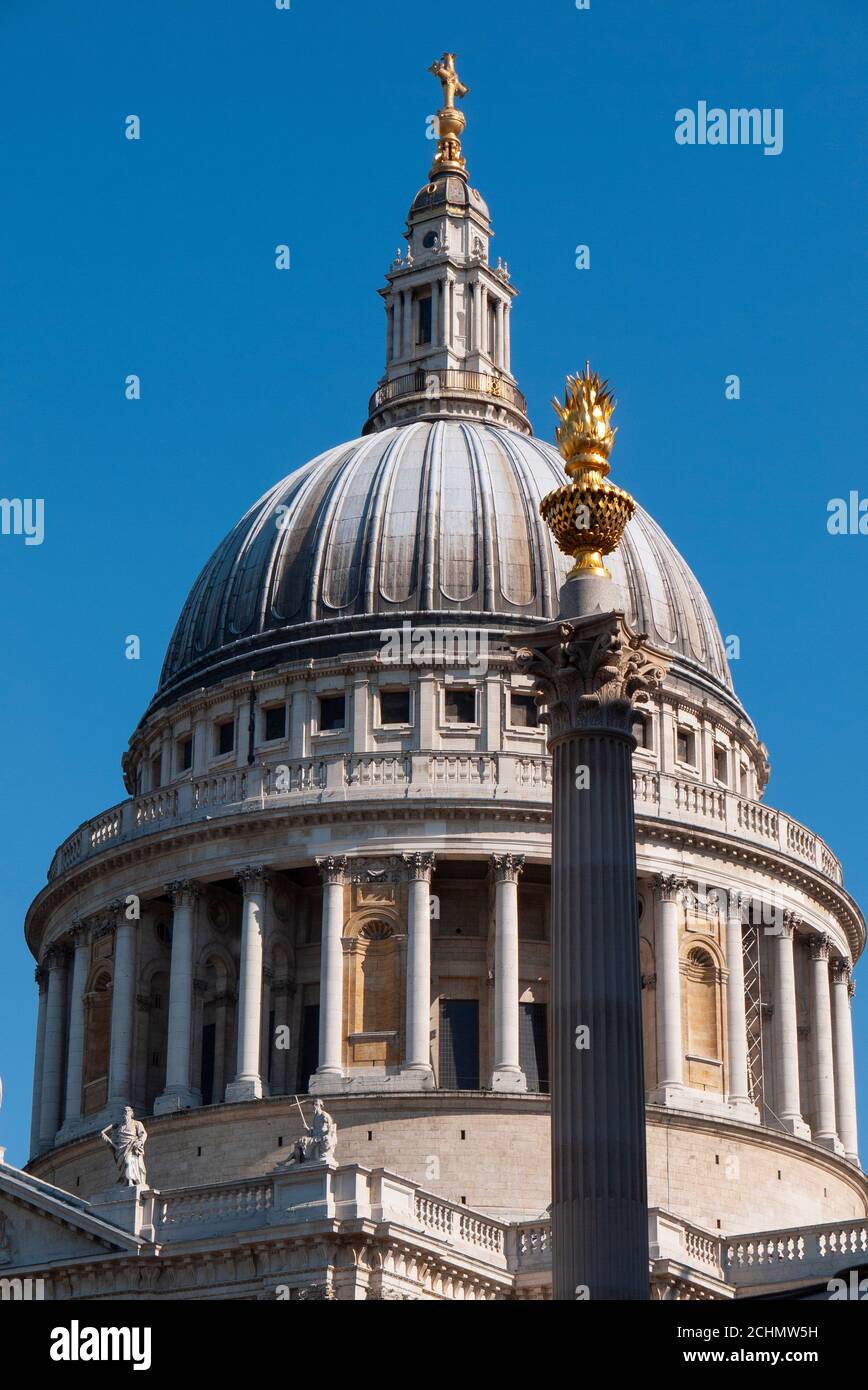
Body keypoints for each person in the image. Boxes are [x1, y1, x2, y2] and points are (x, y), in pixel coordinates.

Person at [100, 1106, 148, 1186]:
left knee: (128, 1162)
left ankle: (130, 1181)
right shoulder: (120, 1127)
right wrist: (109, 1142)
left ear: (131, 1113)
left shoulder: (137, 1123)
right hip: (121, 1149)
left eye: (128, 1111)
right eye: (124, 1111)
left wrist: (140, 1142)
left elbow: (143, 1134)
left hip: (132, 1146)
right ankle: (126, 1181)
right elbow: (115, 1140)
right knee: (125, 1165)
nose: (125, 1112)